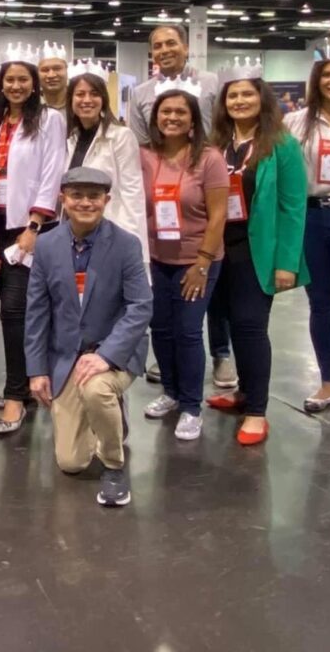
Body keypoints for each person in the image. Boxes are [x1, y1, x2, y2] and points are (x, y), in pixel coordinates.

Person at [26, 167, 152, 507]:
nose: (85, 202)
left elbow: (140, 306)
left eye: (94, 196)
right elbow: (36, 312)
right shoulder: (46, 245)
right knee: (71, 463)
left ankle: (114, 464)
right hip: (66, 355)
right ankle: (109, 417)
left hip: (114, 352)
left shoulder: (126, 244)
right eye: (77, 195)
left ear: (106, 200)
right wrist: (37, 370)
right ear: (63, 199)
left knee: (97, 390)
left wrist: (106, 356)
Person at [206, 60, 308, 445]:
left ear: (261, 98)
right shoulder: (216, 145)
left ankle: (257, 411)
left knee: (250, 325)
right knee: (228, 322)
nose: (239, 100)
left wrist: (287, 263)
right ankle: (244, 393)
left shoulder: (282, 144)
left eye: (247, 94)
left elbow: (293, 207)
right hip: (219, 248)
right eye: (233, 95)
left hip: (256, 249)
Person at [128, 25, 232, 388]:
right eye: (157, 45)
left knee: (210, 297)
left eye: (171, 42)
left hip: (204, 184)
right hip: (164, 200)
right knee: (165, 317)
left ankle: (221, 353)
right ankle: (172, 375)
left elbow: (224, 129)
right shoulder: (140, 93)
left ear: (186, 47)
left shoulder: (211, 83)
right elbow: (140, 142)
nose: (164, 49)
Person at [0, 43, 67, 434]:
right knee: (16, 309)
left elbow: (53, 171)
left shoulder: (49, 119)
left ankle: (15, 394)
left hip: (27, 227)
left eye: (22, 79)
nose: (15, 85)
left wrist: (35, 226)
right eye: (9, 79)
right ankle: (27, 383)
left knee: (14, 310)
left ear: (34, 84)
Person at [140, 83, 228, 441]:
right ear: (156, 118)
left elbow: (219, 215)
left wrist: (203, 262)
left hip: (197, 259)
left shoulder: (209, 158)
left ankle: (192, 406)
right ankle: (172, 392)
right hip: (156, 259)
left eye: (180, 112)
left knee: (188, 331)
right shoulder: (145, 155)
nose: (172, 117)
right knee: (160, 328)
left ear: (193, 120)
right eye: (166, 111)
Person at [284, 46, 330, 423]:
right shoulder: (296, 122)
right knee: (320, 305)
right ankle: (328, 383)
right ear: (316, 81)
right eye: (327, 75)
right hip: (310, 217)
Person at [66, 60, 149, 263]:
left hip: (110, 233)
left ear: (103, 99)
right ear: (71, 99)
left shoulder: (121, 137)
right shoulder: (70, 137)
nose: (87, 100)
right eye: (80, 94)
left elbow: (132, 194)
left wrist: (135, 250)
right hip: (72, 233)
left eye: (94, 94)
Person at [38, 42, 68, 113]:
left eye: (57, 68)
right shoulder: (29, 106)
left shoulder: (79, 104)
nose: (51, 75)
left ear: (67, 70)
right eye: (45, 70)